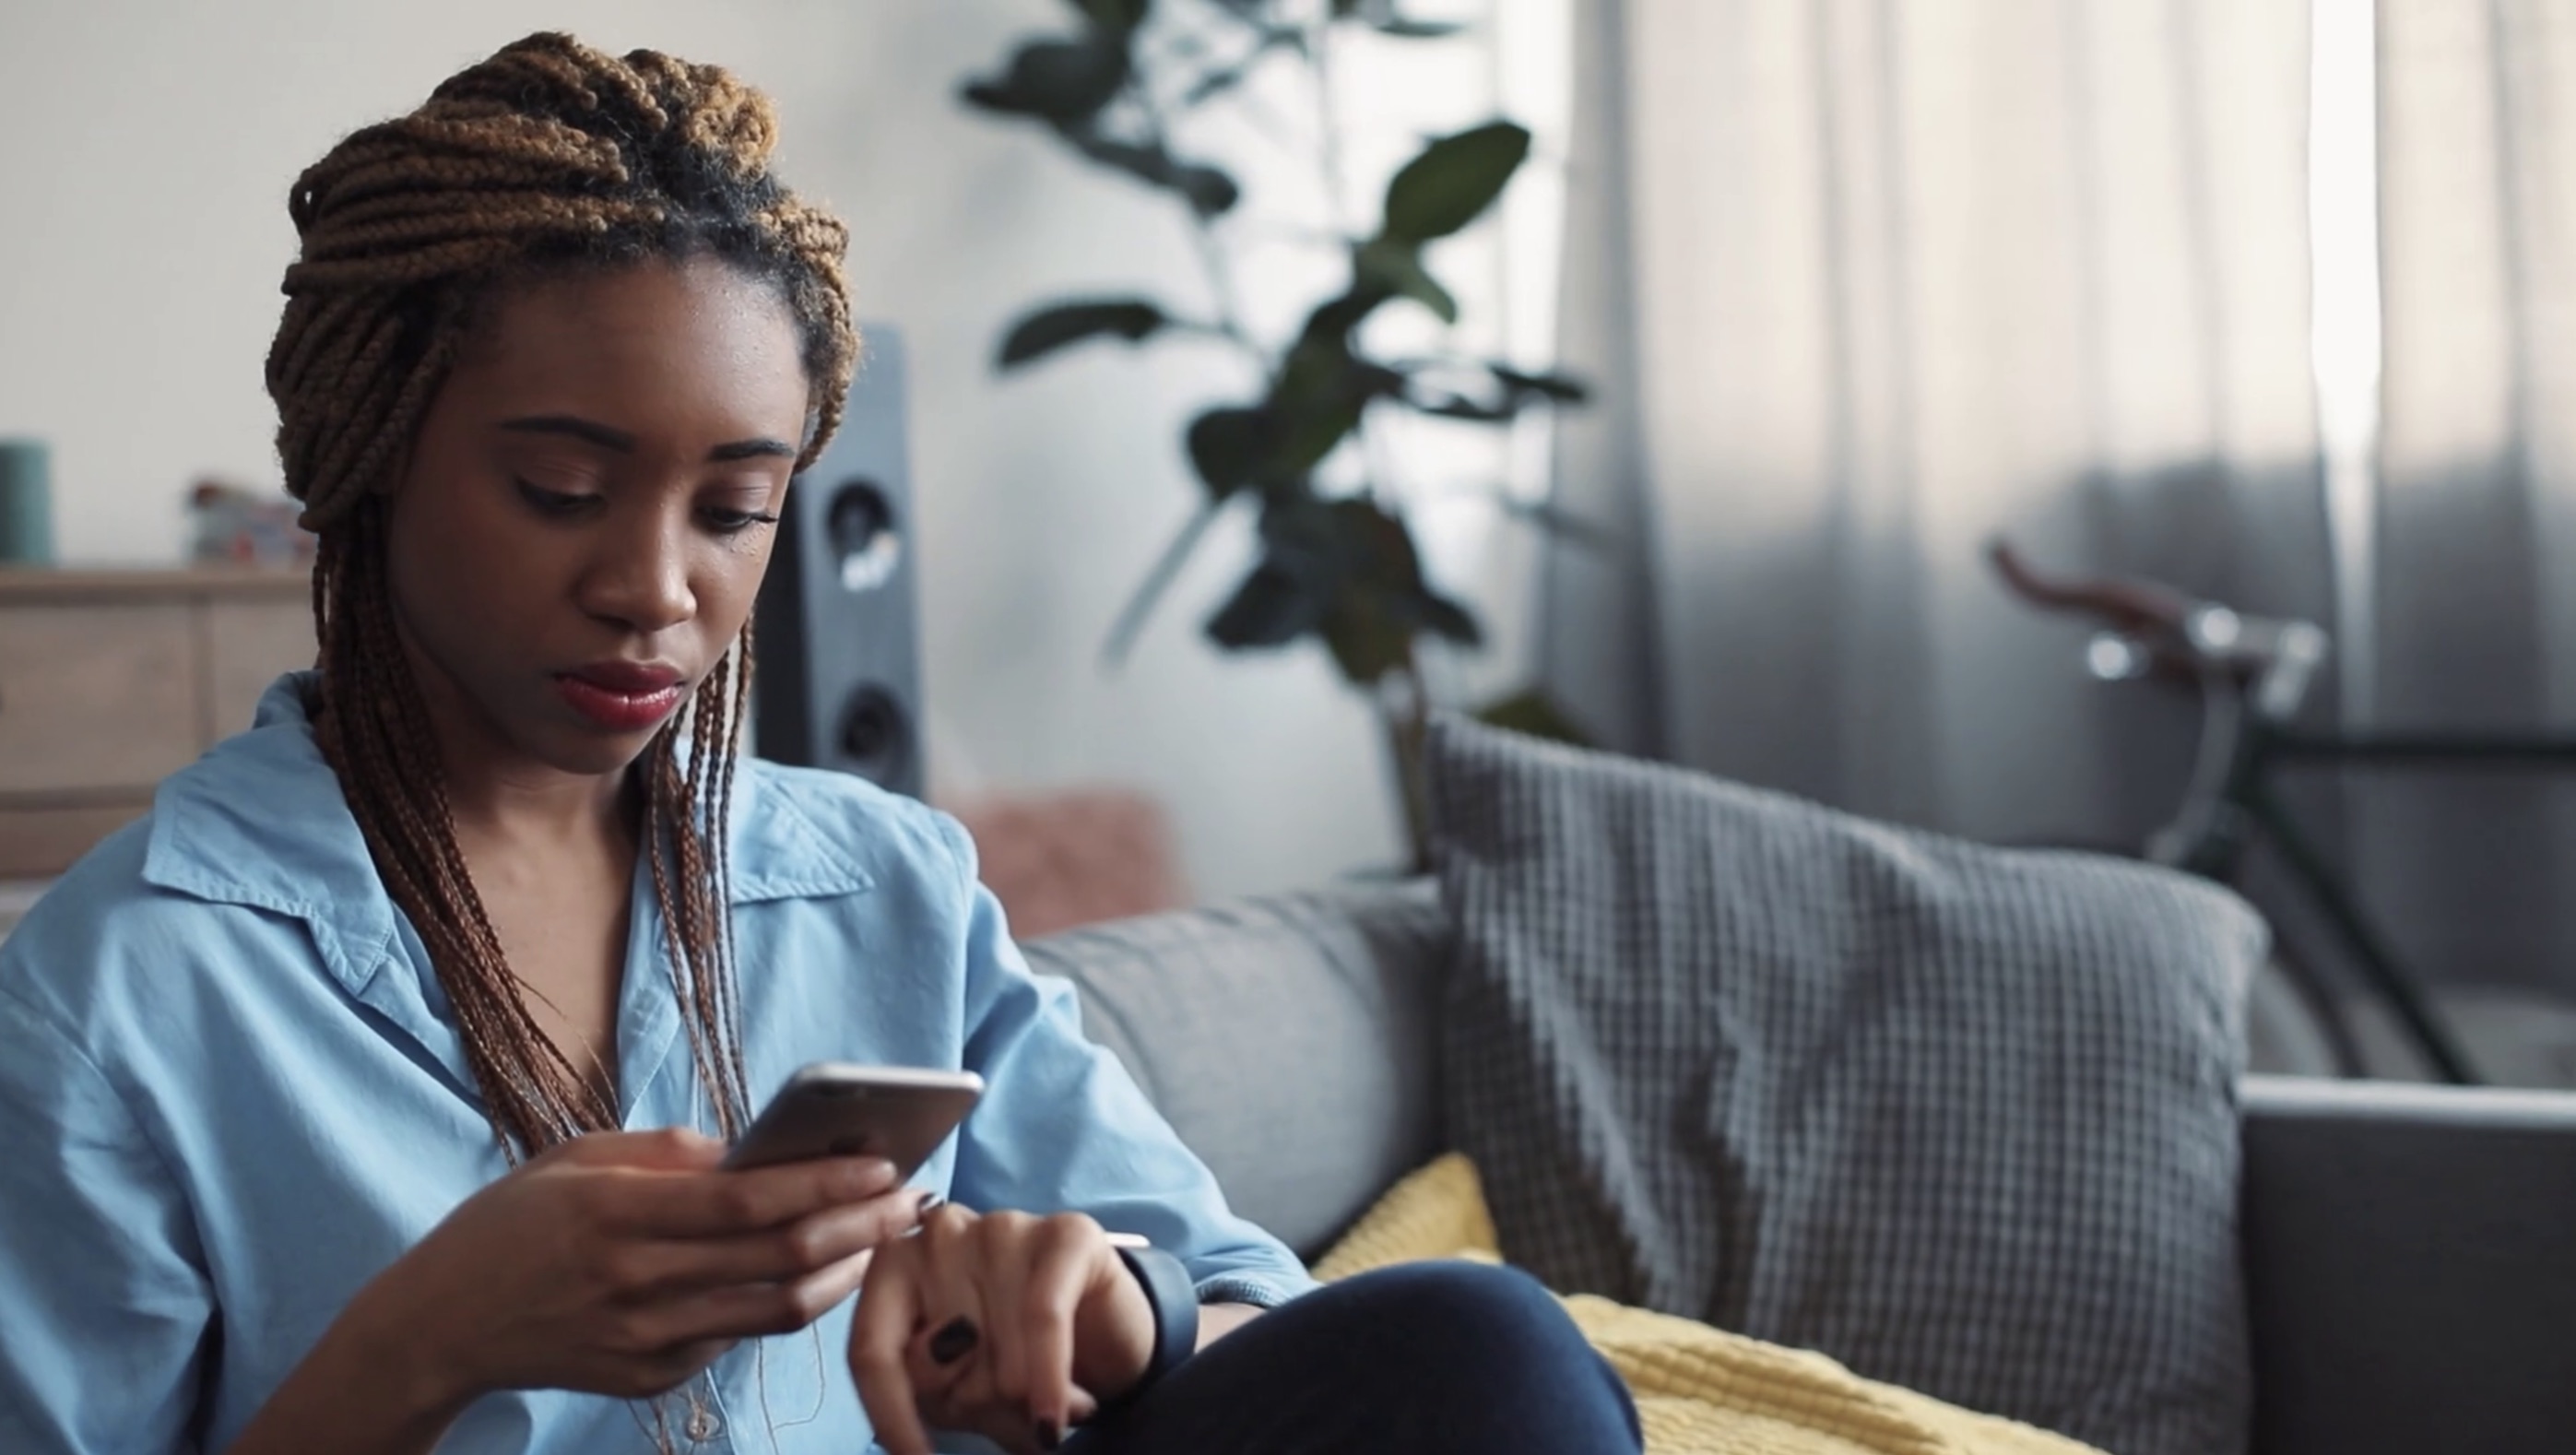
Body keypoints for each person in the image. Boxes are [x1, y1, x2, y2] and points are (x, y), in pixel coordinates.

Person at [0, 31, 1642, 1455]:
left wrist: (1108, 1309)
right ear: (367, 455)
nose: (656, 585)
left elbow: (1244, 1306)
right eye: (559, 490)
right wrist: (427, 1340)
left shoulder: (877, 881)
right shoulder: (123, 991)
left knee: (1482, 1351)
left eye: (734, 509)